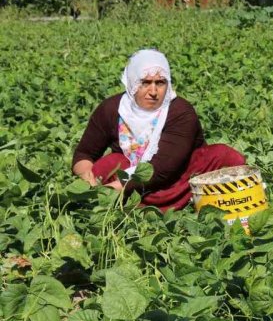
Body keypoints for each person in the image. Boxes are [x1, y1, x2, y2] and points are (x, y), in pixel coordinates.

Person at [72, 49, 245, 211]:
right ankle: (110, 203)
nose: (153, 91)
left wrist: (114, 188)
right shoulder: (111, 109)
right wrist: (87, 178)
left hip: (181, 181)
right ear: (132, 82)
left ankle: (126, 204)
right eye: (145, 83)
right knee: (112, 161)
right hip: (132, 182)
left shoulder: (180, 111)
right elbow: (84, 154)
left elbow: (162, 169)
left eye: (160, 83)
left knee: (222, 155)